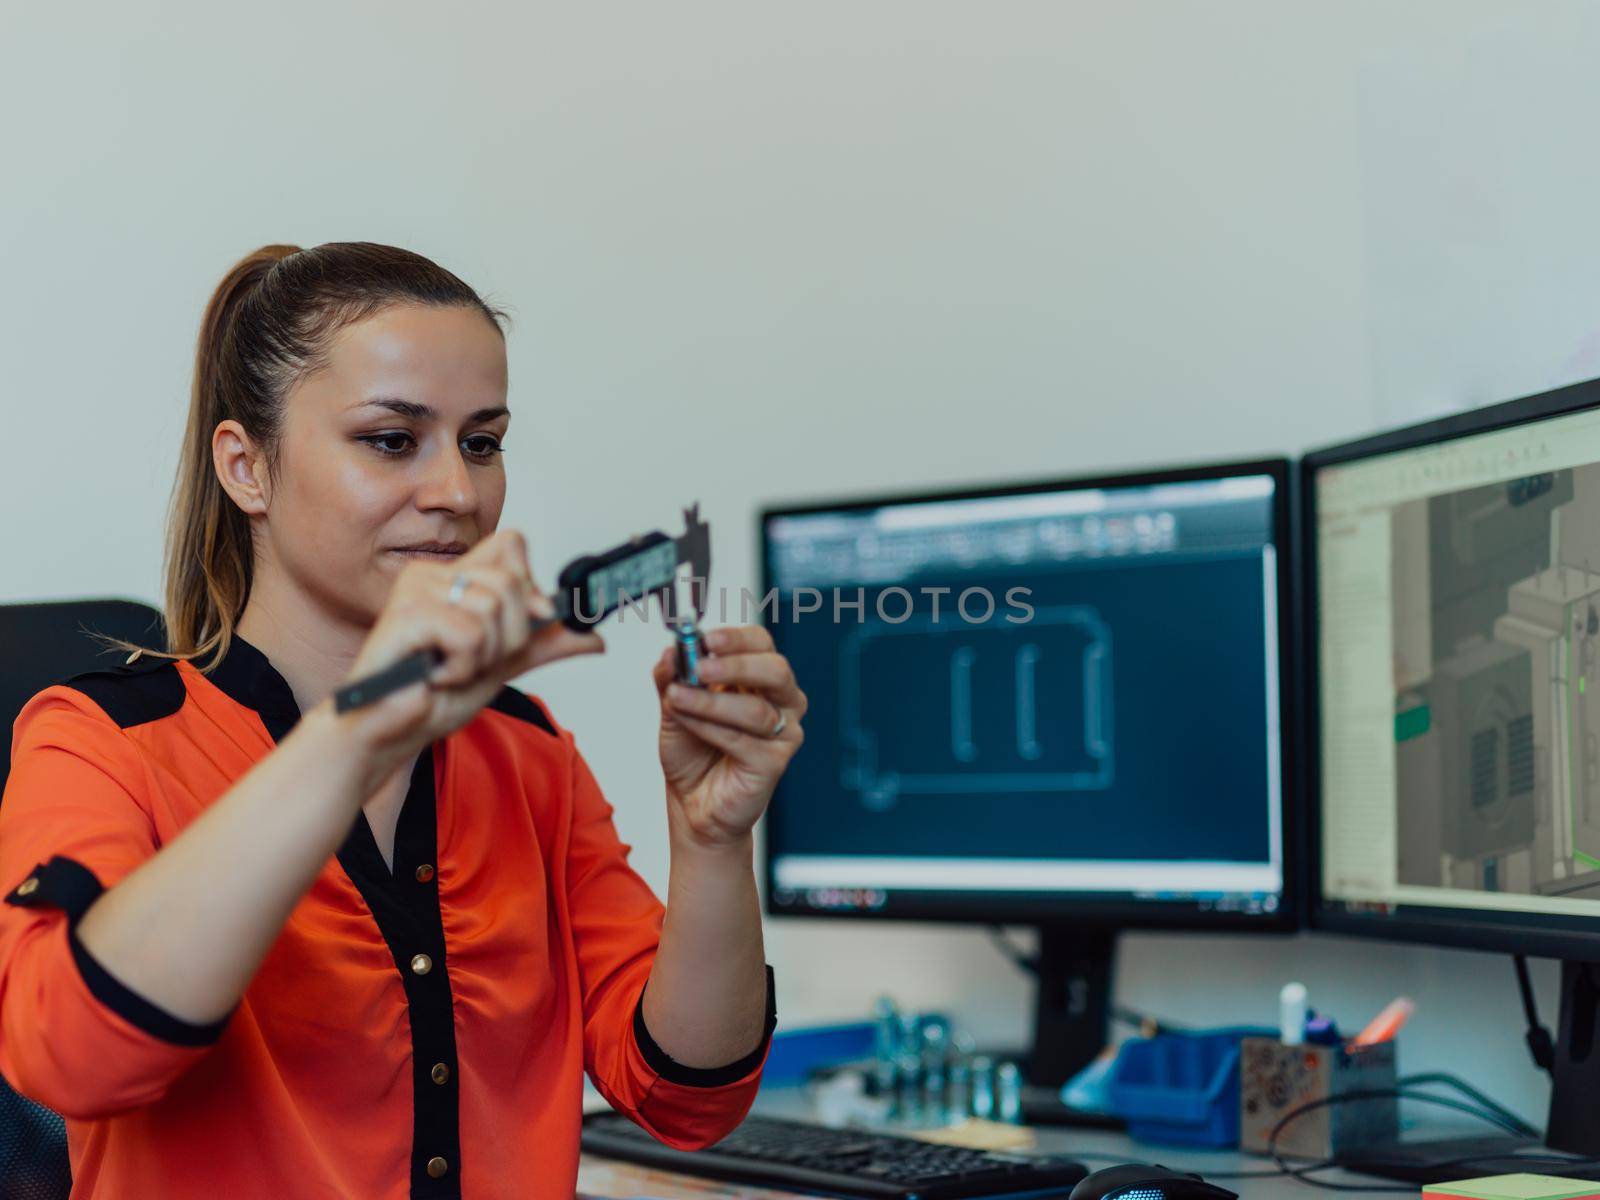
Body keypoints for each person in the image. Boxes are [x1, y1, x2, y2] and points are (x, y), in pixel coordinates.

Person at [0, 242, 806, 1198]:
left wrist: (713, 842)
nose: (458, 496)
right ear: (246, 467)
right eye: (392, 440)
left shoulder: (526, 748)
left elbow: (688, 1098)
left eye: (482, 442)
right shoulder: (97, 740)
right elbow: (70, 1060)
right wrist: (358, 731)